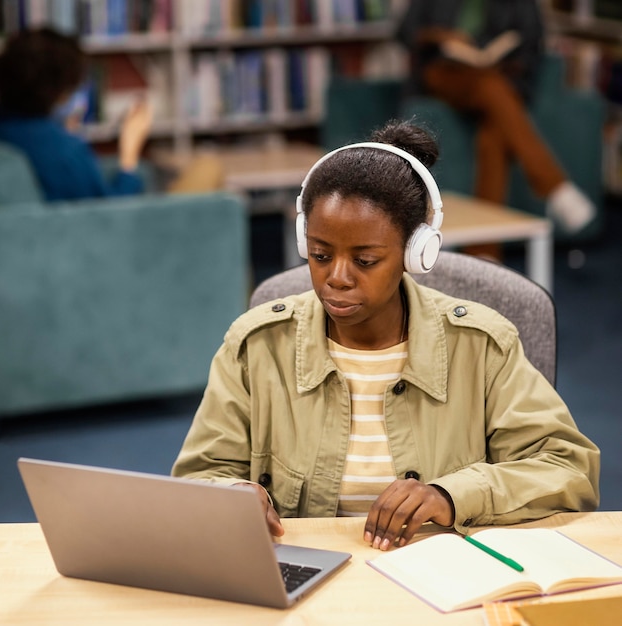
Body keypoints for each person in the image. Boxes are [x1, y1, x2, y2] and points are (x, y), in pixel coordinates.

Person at [172, 119, 599, 551]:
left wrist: (451, 496)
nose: (336, 278)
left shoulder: (482, 344)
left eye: (366, 260)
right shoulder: (255, 345)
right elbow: (200, 475)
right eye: (320, 255)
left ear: (416, 253)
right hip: (304, 569)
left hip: (436, 568)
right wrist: (231, 495)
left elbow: (568, 468)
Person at [394, 0, 596, 256]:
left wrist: (503, 61)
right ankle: (554, 187)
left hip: (497, 76)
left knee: (495, 133)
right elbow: (404, 31)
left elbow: (531, 45)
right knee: (493, 90)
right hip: (444, 73)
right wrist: (439, 35)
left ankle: (483, 252)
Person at [0, 27, 152, 202]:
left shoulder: (5, 129)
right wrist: (129, 154)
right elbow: (107, 214)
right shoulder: (64, 151)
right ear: (60, 90)